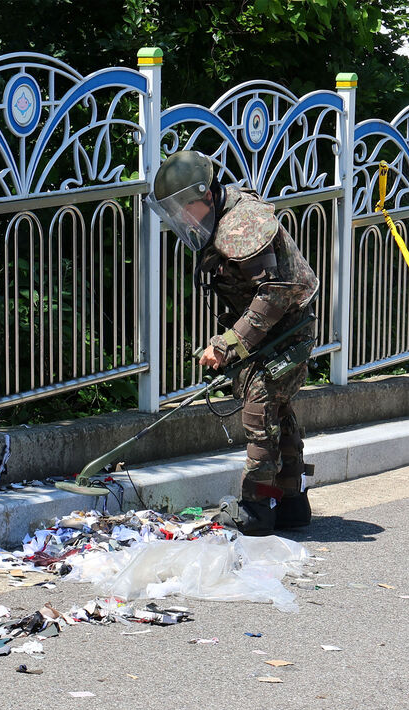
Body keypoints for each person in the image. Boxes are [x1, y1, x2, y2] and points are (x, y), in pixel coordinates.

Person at [146, 150, 318, 535]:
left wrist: (227, 344)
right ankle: (292, 503)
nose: (182, 216)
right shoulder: (219, 218)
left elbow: (274, 294)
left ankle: (256, 508)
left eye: (183, 207)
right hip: (272, 331)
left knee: (259, 414)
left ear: (205, 195)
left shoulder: (242, 223)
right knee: (276, 412)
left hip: (286, 330)